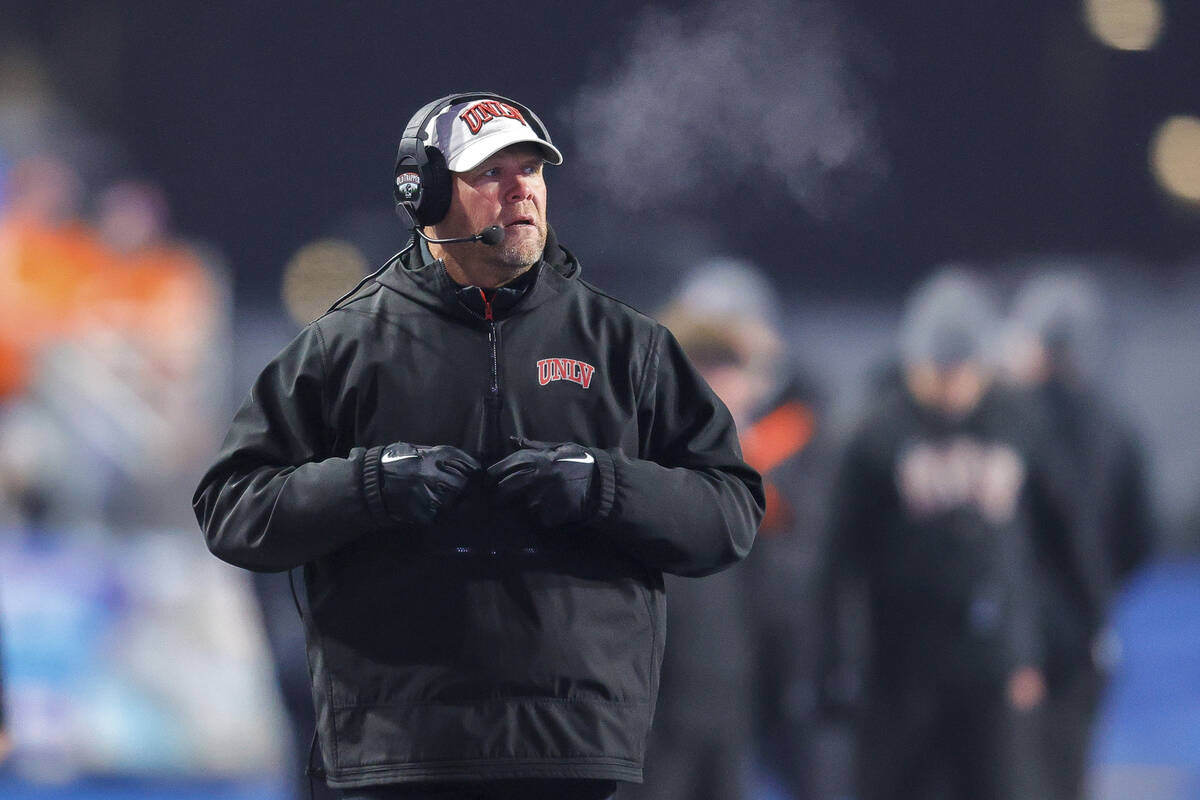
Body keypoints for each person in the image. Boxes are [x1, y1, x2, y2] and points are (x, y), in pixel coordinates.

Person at [193, 92, 764, 800]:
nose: (521, 187)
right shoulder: (343, 349)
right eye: (490, 173)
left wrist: (605, 487)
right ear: (423, 193)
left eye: (532, 169)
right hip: (399, 753)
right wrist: (368, 485)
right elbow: (230, 505)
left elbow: (731, 510)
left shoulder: (628, 347)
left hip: (572, 754)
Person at [820, 268, 1052, 800]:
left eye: (962, 368)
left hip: (991, 668)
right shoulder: (876, 431)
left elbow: (1054, 544)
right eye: (937, 368)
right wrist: (831, 662)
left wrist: (1032, 648)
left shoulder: (1017, 422)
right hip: (900, 670)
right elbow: (833, 562)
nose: (950, 384)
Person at [1004, 270, 1155, 800]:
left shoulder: (1005, 419)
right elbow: (1140, 539)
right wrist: (1095, 591)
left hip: (1005, 636)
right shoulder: (1116, 428)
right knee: (1065, 779)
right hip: (1084, 634)